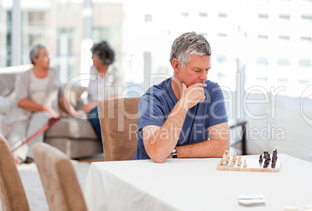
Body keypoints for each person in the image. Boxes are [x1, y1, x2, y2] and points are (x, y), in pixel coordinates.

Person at [133, 32, 229, 162]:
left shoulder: (212, 91)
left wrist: (175, 152)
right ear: (176, 65)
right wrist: (183, 105)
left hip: (187, 173)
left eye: (207, 70)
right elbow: (158, 153)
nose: (204, 77)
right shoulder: (152, 98)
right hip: (149, 174)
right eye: (197, 70)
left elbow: (222, 147)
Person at [1, 44, 79, 164]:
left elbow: (61, 97)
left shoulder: (53, 73)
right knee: (19, 126)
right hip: (25, 111)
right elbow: (20, 101)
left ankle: (31, 155)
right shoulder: (24, 76)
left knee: (39, 119)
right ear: (35, 59)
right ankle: (17, 155)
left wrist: (73, 112)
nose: (49, 58)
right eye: (45, 55)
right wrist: (45, 107)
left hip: (45, 113)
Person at [82, 41, 124, 146]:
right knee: (95, 113)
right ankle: (109, 150)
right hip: (92, 108)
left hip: (109, 106)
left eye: (93, 55)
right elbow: (90, 93)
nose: (91, 58)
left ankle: (110, 150)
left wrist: (94, 104)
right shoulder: (92, 70)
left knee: (97, 113)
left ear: (102, 57)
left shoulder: (116, 71)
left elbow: (116, 96)